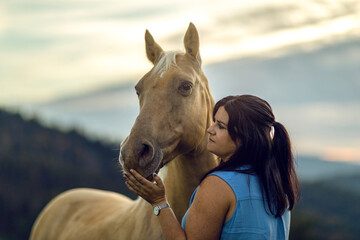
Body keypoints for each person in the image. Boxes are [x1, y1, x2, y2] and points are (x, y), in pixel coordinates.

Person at [124, 94, 300, 240]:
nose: (210, 129)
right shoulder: (278, 184)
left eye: (221, 126)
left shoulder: (218, 185)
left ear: (245, 138)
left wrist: (159, 202)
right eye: (214, 121)